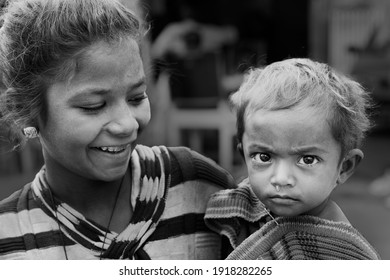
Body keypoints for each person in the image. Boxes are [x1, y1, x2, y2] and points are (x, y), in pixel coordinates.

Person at [0, 0, 236, 260]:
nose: (127, 125)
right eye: (94, 106)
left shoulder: (199, 187)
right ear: (25, 109)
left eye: (136, 97)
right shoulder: (8, 238)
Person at [205, 58, 380, 259]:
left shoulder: (344, 256)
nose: (281, 178)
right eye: (264, 157)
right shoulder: (237, 208)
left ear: (344, 167)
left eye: (307, 160)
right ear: (244, 155)